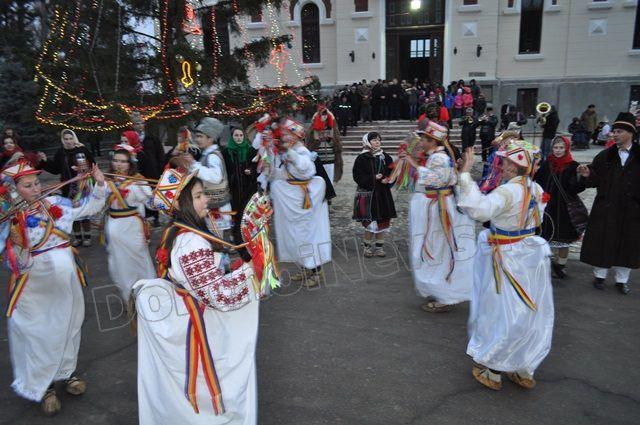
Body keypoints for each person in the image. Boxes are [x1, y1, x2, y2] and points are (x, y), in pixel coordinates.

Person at [133, 167, 259, 425]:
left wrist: (238, 269)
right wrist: (252, 272)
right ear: (180, 204)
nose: (206, 200)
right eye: (199, 196)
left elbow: (206, 281)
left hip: (193, 310)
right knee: (215, 382)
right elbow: (218, 295)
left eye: (204, 194)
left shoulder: (180, 232)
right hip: (200, 320)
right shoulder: (191, 242)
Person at [0, 160, 106, 415]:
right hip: (34, 289)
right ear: (13, 191)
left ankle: (66, 373)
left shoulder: (57, 204)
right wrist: (14, 229)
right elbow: (10, 258)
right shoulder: (9, 219)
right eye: (27, 186)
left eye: (37, 183)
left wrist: (99, 183)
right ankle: (44, 386)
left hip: (66, 284)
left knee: (69, 326)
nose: (36, 189)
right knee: (40, 334)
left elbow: (89, 208)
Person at [457, 140, 554, 391]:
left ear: (515, 166)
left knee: (501, 310)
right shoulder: (535, 188)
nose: (503, 166)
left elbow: (479, 210)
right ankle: (522, 366)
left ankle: (494, 369)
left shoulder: (508, 191)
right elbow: (537, 218)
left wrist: (465, 175)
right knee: (528, 310)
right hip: (527, 254)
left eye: (507, 162)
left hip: (507, 256)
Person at [400, 121, 475, 312]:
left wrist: (414, 165)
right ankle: (441, 290)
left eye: (424, 139)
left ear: (432, 141)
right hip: (438, 206)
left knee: (438, 248)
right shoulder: (438, 156)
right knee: (437, 248)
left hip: (440, 209)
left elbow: (438, 180)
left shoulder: (439, 158)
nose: (421, 142)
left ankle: (444, 294)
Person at [577, 112, 639, 294]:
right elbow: (595, 179)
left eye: (619, 131)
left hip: (632, 210)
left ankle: (622, 280)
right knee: (603, 241)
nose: (614, 134)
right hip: (607, 208)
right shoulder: (605, 155)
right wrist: (588, 175)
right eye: (614, 131)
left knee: (627, 244)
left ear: (630, 133)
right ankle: (600, 276)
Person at [267, 118, 331, 287]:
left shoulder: (301, 151)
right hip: (294, 198)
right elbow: (283, 174)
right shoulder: (288, 151)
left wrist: (290, 153)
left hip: (304, 201)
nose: (284, 137)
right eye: (283, 134)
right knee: (296, 234)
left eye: (287, 134)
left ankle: (316, 271)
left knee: (307, 234)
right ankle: (305, 268)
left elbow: (306, 169)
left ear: (296, 136)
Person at [104, 144, 156, 302]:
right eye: (116, 160)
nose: (118, 164)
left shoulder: (137, 180)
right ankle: (129, 299)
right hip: (113, 227)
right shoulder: (106, 181)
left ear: (130, 163)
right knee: (119, 264)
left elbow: (151, 204)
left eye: (123, 161)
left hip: (132, 227)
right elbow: (96, 202)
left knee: (139, 260)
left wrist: (159, 197)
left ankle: (148, 295)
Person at [535, 136, 586, 278]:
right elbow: (538, 182)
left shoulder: (573, 165)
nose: (558, 150)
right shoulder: (547, 164)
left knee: (563, 240)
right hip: (547, 207)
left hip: (564, 209)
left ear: (567, 148)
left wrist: (582, 177)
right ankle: (548, 264)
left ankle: (561, 266)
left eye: (561, 148)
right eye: (555, 147)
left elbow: (575, 188)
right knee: (546, 237)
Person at [41, 129, 96, 247]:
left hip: (83, 186)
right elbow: (55, 169)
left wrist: (84, 170)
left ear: (74, 138)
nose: (68, 141)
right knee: (73, 212)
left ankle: (87, 237)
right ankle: (78, 237)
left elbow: (92, 164)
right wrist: (45, 161)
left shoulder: (82, 150)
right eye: (66, 139)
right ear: (62, 140)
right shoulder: (60, 152)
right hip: (67, 187)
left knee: (84, 211)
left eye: (71, 138)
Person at [352, 132, 396, 257]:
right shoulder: (362, 158)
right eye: (374, 140)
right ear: (367, 142)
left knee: (382, 221)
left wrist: (388, 179)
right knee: (371, 222)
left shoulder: (385, 157)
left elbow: (392, 171)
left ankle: (379, 248)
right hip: (369, 195)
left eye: (378, 140)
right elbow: (357, 176)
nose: (377, 142)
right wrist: (373, 177)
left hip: (382, 194)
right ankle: (367, 247)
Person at [186, 117, 233, 235]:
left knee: (216, 239)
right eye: (197, 136)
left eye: (200, 136)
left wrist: (194, 165)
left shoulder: (212, 156)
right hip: (212, 205)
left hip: (216, 207)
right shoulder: (207, 154)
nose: (197, 139)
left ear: (210, 138)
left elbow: (216, 177)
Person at [221, 127, 258, 247]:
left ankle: (248, 236)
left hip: (248, 188)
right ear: (232, 137)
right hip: (234, 189)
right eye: (236, 135)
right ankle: (237, 237)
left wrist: (251, 170)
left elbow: (257, 166)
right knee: (236, 213)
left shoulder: (250, 150)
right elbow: (224, 169)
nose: (239, 138)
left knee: (247, 212)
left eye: (241, 135)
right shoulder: (226, 152)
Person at [132, 115, 165, 227]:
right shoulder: (131, 138)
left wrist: (160, 169)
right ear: (133, 125)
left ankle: (155, 217)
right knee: (140, 193)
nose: (140, 125)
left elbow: (160, 154)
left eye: (142, 123)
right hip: (138, 172)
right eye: (137, 123)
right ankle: (143, 216)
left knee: (152, 194)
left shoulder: (152, 138)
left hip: (152, 171)